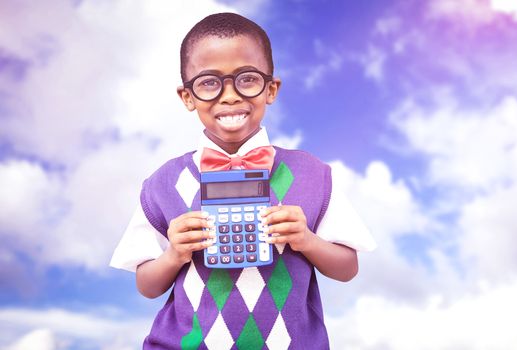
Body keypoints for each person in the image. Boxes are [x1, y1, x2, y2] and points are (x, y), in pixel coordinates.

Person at [110, 12, 376, 349]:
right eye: (209, 82)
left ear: (271, 88)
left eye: (246, 78)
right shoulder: (163, 183)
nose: (230, 95)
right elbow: (147, 285)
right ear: (187, 97)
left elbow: (347, 267)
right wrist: (173, 255)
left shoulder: (313, 174)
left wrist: (306, 240)